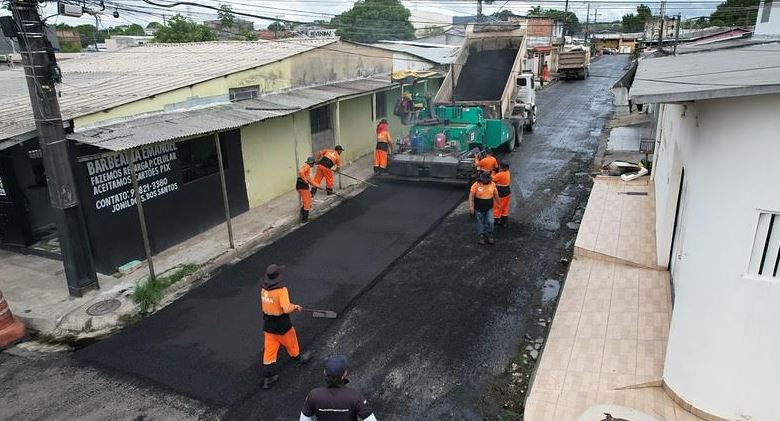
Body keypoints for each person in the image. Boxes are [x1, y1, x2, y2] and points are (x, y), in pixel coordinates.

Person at [261, 264, 311, 389]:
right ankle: (298, 359)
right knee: (291, 341)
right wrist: (295, 307)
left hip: (268, 324)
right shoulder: (281, 291)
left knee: (269, 350)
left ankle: (268, 378)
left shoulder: (263, 290)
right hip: (281, 324)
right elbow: (286, 308)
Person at [300, 355, 377, 421]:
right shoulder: (355, 397)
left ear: (324, 372)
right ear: (345, 373)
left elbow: (304, 419)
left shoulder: (314, 395)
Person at [469, 171, 500, 245]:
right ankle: (482, 236)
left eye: (486, 179)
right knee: (480, 222)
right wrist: (471, 206)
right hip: (479, 207)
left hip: (489, 207)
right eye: (483, 179)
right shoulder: (476, 185)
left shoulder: (492, 184)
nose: (484, 180)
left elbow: (496, 194)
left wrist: (499, 203)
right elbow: (471, 196)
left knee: (491, 222)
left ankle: (490, 236)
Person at [492, 162, 512, 226]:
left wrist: (493, 172)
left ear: (502, 168)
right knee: (505, 207)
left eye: (500, 167)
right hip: (507, 192)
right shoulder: (507, 172)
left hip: (500, 193)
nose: (499, 167)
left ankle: (496, 221)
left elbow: (492, 179)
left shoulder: (500, 175)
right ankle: (504, 222)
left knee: (497, 206)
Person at [297, 157, 316, 223]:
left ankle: (302, 214)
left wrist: (316, 185)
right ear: (312, 163)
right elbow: (301, 172)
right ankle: (304, 219)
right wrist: (305, 180)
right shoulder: (307, 166)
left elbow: (309, 179)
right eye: (313, 163)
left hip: (299, 185)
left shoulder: (305, 166)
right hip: (303, 186)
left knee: (307, 200)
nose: (313, 165)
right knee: (307, 202)